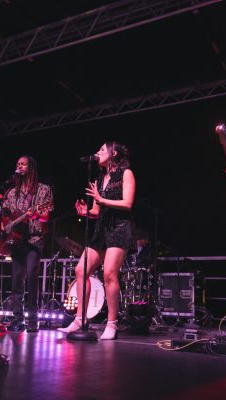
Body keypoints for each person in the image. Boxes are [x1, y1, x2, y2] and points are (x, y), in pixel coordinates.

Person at [58, 141, 136, 339]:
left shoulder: (126, 173)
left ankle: (112, 324)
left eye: (102, 149)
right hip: (101, 230)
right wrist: (87, 212)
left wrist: (101, 200)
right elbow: (97, 211)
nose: (97, 152)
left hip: (120, 228)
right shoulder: (100, 179)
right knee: (80, 270)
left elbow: (127, 203)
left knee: (110, 274)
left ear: (114, 153)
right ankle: (80, 318)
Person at [0, 155, 54, 332]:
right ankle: (17, 319)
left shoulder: (43, 190)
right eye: (17, 164)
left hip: (35, 239)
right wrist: (0, 227)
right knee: (16, 280)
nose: (19, 166)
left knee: (31, 275)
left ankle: (33, 320)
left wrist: (35, 214)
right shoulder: (12, 192)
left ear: (31, 167)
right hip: (16, 240)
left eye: (23, 164)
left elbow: (46, 216)